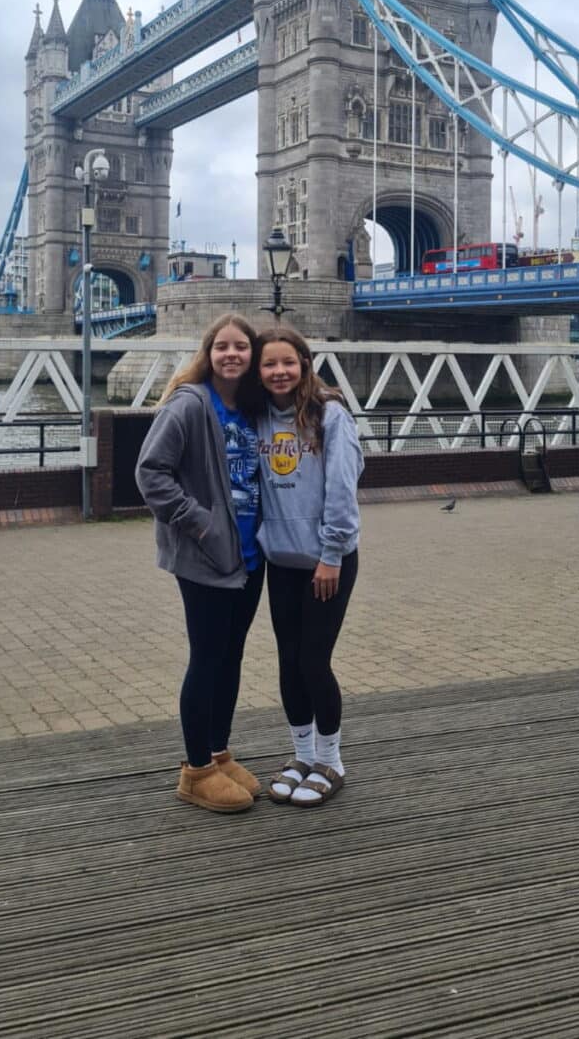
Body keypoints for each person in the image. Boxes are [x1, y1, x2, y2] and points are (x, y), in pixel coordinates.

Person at [135, 314, 264, 813]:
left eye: (241, 348)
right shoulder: (189, 405)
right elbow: (151, 473)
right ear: (208, 353)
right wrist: (199, 522)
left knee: (231, 658)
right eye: (223, 347)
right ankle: (194, 771)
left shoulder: (253, 408)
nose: (232, 355)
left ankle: (218, 753)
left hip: (251, 557)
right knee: (207, 659)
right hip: (206, 554)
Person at [254, 326, 364, 808]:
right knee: (287, 661)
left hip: (327, 561)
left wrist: (331, 554)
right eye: (269, 364)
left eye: (288, 362)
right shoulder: (256, 417)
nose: (279, 372)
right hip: (281, 559)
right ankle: (300, 755)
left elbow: (342, 488)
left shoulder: (330, 415)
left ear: (304, 364)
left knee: (313, 661)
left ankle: (331, 761)